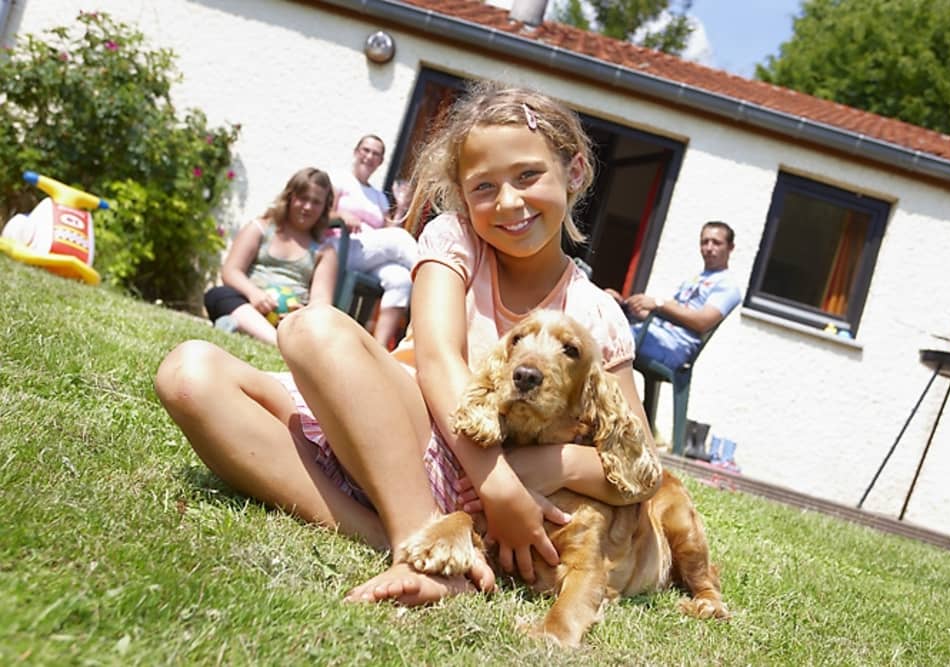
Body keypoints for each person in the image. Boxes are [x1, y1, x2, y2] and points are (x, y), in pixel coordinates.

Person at [155, 81, 659, 607]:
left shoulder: (595, 314)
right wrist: (497, 483)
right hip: (388, 423)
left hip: (456, 479)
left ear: (574, 171)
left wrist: (536, 471)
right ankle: (410, 539)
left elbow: (637, 465)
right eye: (483, 187)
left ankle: (420, 549)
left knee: (312, 328)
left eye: (528, 176)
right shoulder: (456, 239)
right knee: (192, 372)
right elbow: (438, 361)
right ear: (463, 196)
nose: (509, 202)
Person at [203, 168, 338, 346]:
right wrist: (254, 294)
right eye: (303, 198)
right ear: (290, 197)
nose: (307, 207)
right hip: (248, 305)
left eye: (316, 202)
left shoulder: (325, 251)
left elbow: (321, 304)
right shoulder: (260, 228)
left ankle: (244, 328)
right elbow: (230, 271)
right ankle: (276, 341)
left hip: (290, 321)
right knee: (217, 295)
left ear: (324, 209)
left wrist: (300, 315)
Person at [609, 221, 741, 371]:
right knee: (606, 323)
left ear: (730, 248)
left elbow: (703, 322)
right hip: (655, 334)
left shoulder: (727, 285)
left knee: (609, 337)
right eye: (705, 242)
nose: (709, 248)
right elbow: (664, 317)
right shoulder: (697, 278)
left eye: (716, 243)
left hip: (674, 346)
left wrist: (659, 304)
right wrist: (624, 305)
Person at [331, 135, 418, 348]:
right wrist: (341, 215)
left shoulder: (379, 196)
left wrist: (401, 208)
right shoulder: (339, 179)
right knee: (399, 240)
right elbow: (323, 212)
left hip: (368, 256)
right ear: (356, 152)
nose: (369, 156)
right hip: (341, 248)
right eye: (365, 150)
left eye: (376, 154)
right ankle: (432, 279)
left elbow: (389, 234)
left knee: (401, 279)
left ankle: (379, 350)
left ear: (380, 162)